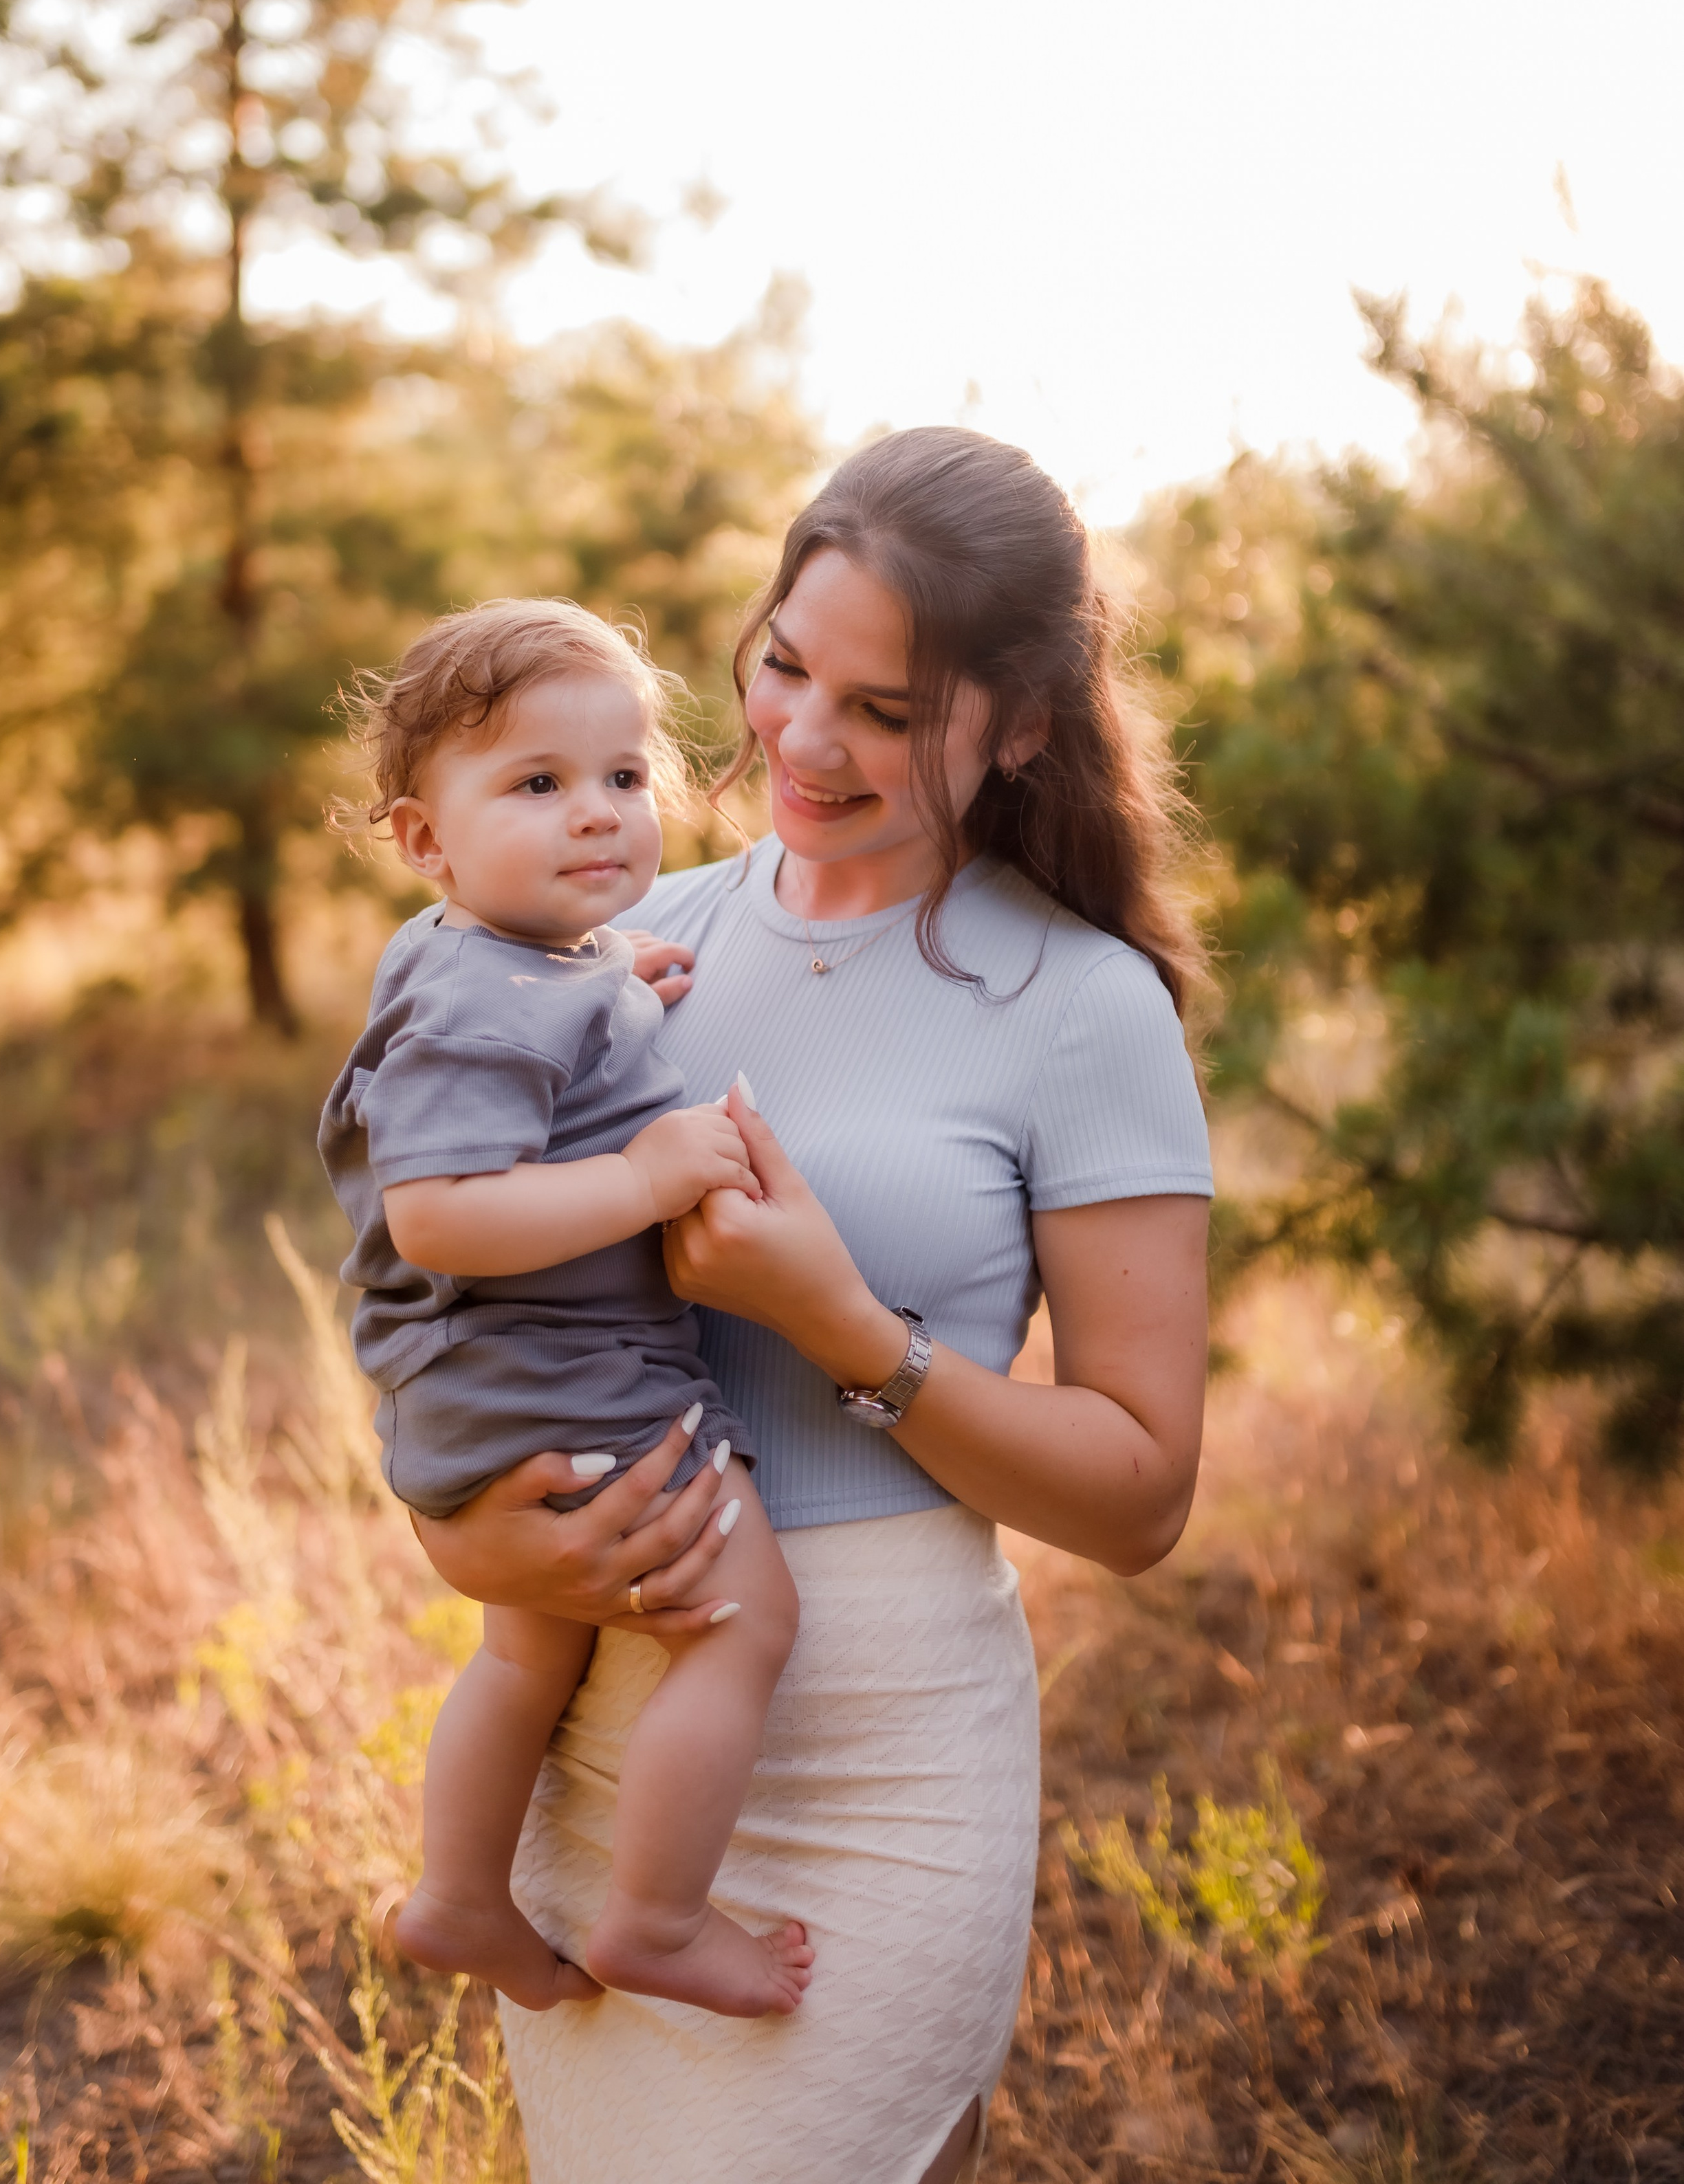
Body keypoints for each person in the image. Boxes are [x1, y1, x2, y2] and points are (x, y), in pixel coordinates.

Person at [414, 428, 1215, 2184]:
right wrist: (480, 1554)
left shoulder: (1083, 1006)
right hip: (606, 1754)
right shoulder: (603, 942)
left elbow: (1142, 1498)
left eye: (883, 707)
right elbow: (436, 1290)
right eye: (785, 666)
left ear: (1017, 721)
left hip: (883, 1754)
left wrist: (847, 1327)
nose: (800, 737)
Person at [318, 599, 811, 2021]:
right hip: (565, 1379)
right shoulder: (481, 1000)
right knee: (742, 1622)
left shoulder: (519, 962)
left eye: (620, 776)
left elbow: (543, 1046)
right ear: (424, 839)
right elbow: (444, 1214)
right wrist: (643, 1170)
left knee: (527, 1645)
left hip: (494, 1393)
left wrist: (616, 998)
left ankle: (460, 1896)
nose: (596, 815)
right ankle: (654, 1917)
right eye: (535, 785)